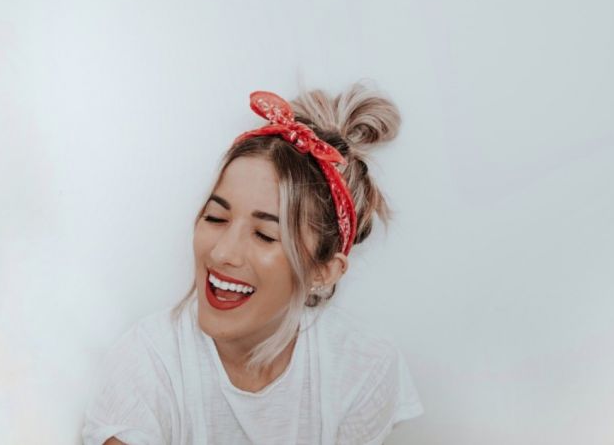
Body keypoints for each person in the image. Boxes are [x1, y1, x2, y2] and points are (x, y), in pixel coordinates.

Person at [82, 83, 424, 444]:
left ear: (323, 271)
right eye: (216, 218)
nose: (222, 253)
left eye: (264, 234)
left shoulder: (362, 368)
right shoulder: (147, 363)